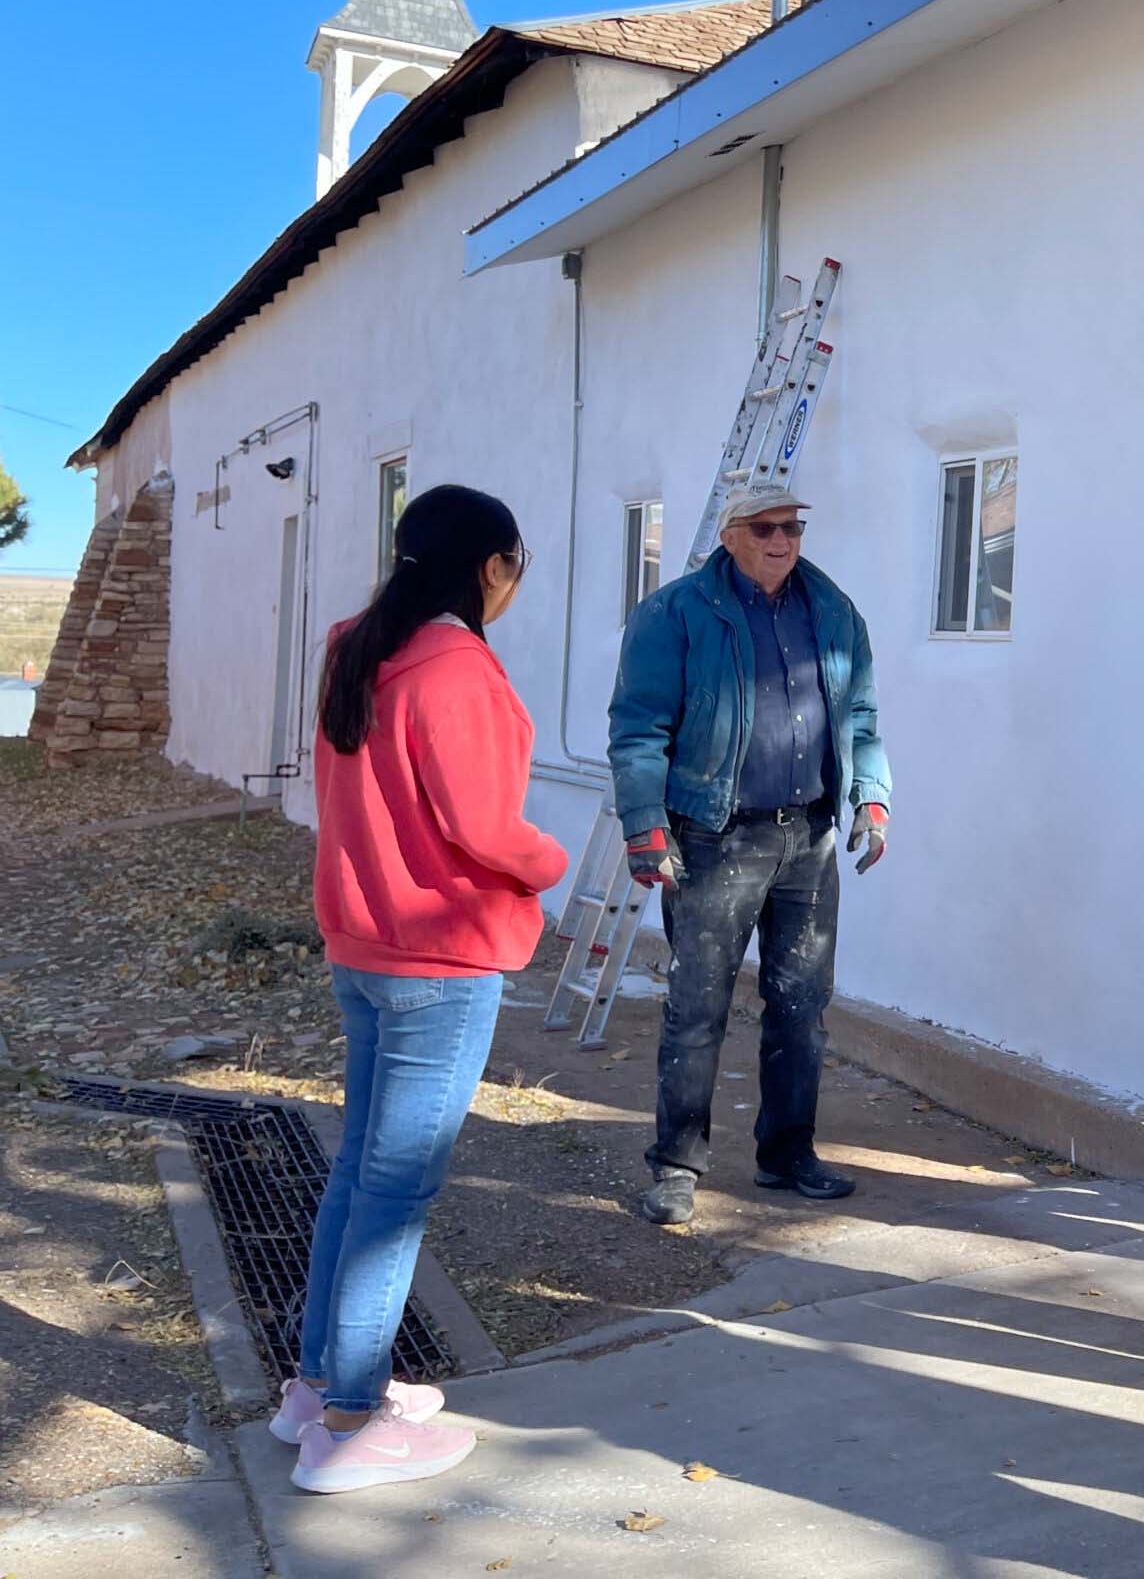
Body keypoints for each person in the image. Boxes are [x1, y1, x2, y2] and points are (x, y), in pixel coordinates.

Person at [284, 484, 568, 1494]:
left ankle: (318, 1385)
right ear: (492, 568)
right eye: (515, 568)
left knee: (361, 1174)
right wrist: (549, 861)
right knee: (394, 1195)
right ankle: (350, 1423)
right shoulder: (455, 666)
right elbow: (482, 826)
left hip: (362, 943)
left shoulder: (355, 645)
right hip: (437, 962)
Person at [609, 485, 891, 1228]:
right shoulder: (674, 614)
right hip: (714, 837)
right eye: (764, 528)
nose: (781, 540)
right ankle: (676, 1167)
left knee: (801, 1008)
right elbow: (638, 729)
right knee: (698, 1006)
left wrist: (873, 796)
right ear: (729, 535)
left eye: (792, 526)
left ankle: (788, 1155)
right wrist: (645, 825)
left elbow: (861, 714)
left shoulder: (832, 609)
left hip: (810, 838)